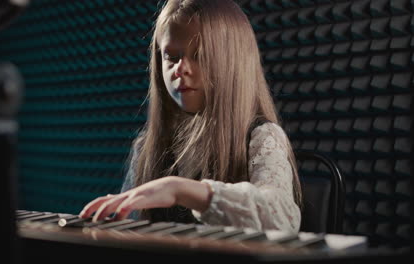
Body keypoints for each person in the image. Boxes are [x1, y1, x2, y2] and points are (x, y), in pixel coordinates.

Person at [79, 0, 302, 233]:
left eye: (199, 54)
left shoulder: (264, 136)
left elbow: (283, 219)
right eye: (171, 57)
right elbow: (130, 226)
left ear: (233, 60)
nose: (180, 68)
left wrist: (179, 189)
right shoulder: (146, 145)